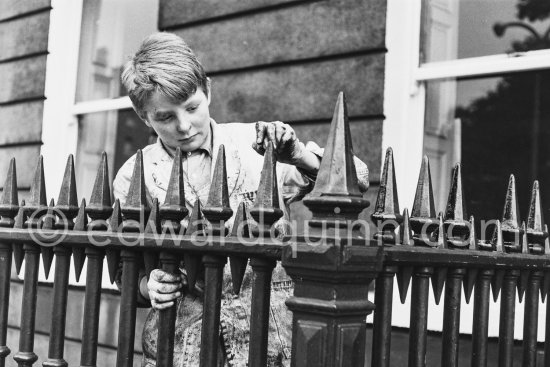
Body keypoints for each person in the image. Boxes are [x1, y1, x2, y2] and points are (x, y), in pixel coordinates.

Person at [113, 32, 369, 367]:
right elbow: (122, 265)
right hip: (182, 339)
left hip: (269, 331)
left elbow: (356, 177)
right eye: (165, 117)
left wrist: (298, 155)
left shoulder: (257, 142)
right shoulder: (135, 175)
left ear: (209, 91)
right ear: (143, 115)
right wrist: (150, 286)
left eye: (192, 107)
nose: (184, 125)